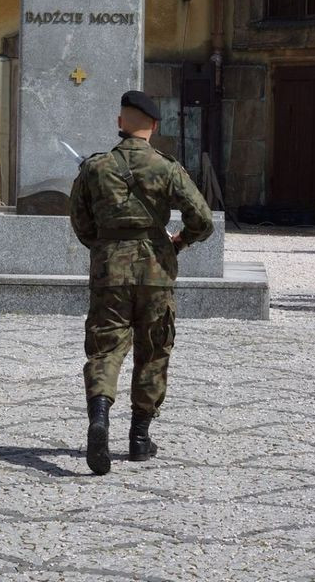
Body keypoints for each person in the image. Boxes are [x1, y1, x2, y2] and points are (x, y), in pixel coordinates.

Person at [70, 90, 213, 476]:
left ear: (120, 124)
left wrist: (106, 248)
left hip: (109, 272)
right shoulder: (166, 168)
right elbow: (202, 219)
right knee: (153, 350)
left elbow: (81, 224)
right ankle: (138, 438)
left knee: (105, 348)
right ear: (153, 125)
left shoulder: (96, 168)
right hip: (155, 272)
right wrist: (178, 242)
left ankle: (99, 417)